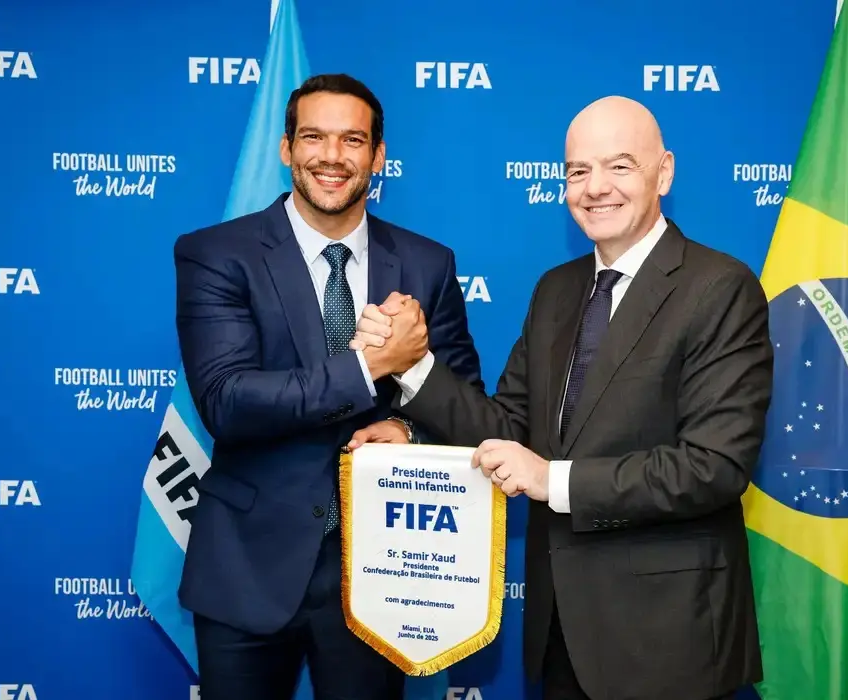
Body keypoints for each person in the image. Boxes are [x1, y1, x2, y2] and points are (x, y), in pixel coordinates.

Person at [349, 96, 772, 700]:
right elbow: (507, 427)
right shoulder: (555, 289)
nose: (595, 187)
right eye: (578, 171)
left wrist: (552, 479)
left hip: (668, 637)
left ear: (664, 173)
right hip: (560, 635)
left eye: (619, 166)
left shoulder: (720, 287)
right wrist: (411, 366)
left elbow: (714, 466)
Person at [173, 73, 483, 700]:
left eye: (353, 140)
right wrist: (372, 366)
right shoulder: (217, 254)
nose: (332, 156)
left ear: (378, 155)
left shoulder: (428, 263)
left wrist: (407, 428)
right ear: (286, 148)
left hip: (383, 570)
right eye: (314, 137)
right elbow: (227, 402)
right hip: (248, 568)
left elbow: (466, 403)